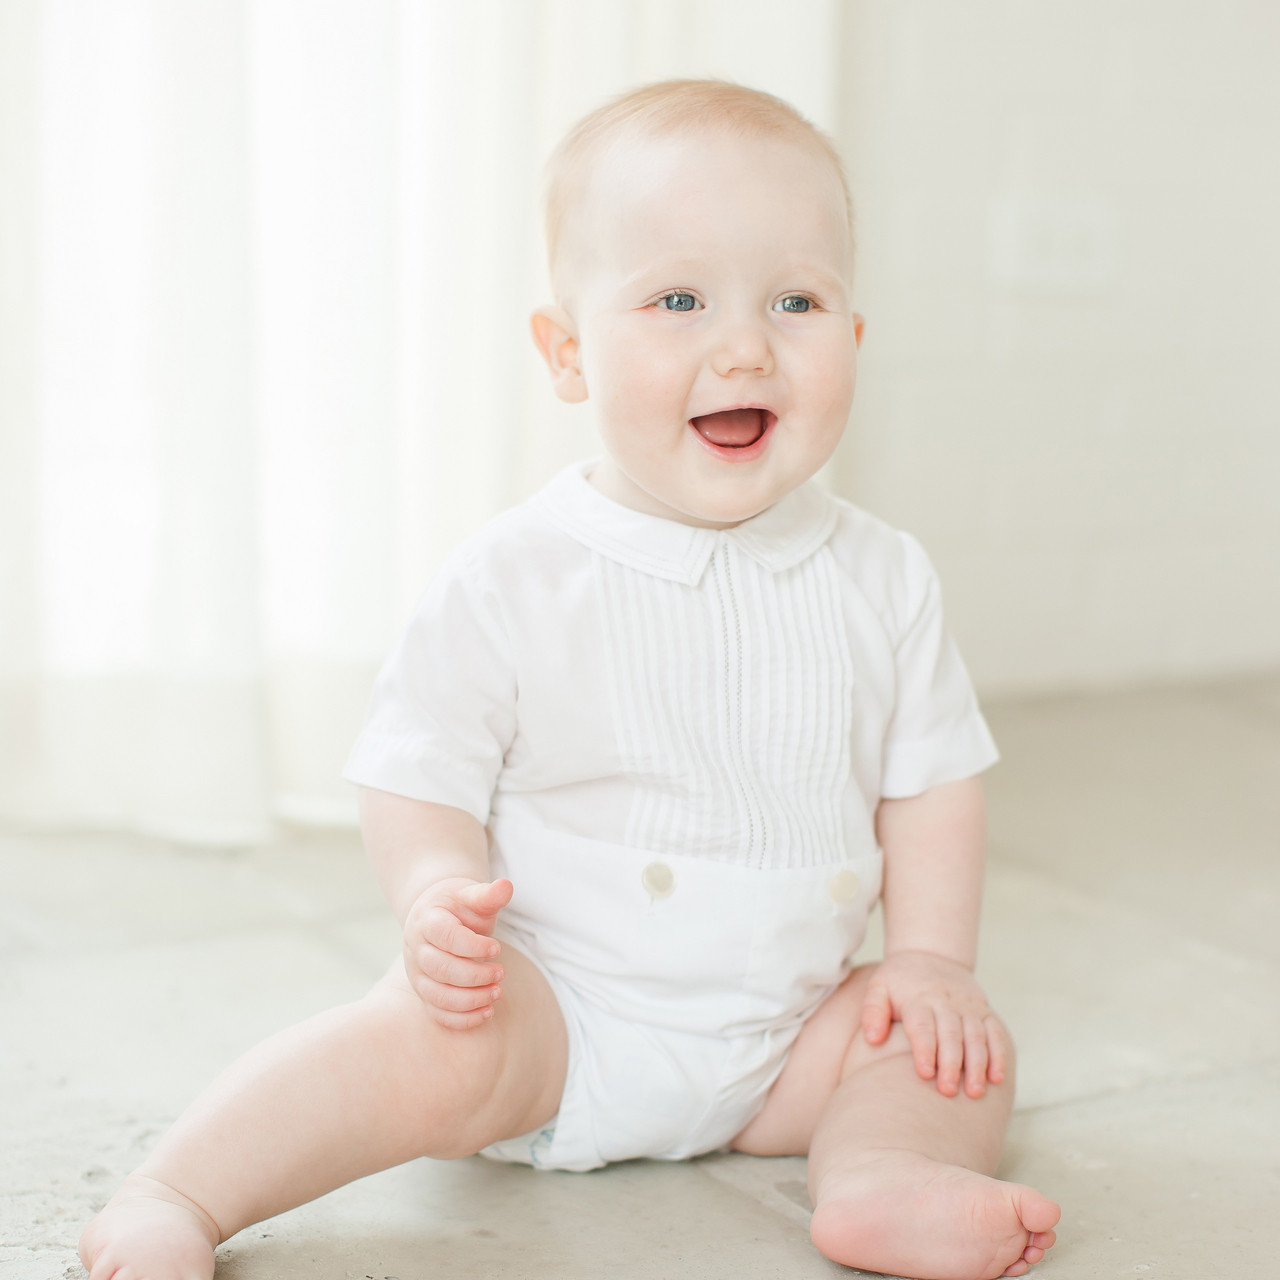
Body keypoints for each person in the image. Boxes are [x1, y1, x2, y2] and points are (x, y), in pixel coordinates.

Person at [79, 79, 1061, 1280]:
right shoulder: (516, 575)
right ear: (566, 352)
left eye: (795, 300)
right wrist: (436, 887)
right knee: (417, 1044)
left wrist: (925, 960)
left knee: (954, 1047)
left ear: (851, 339)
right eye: (678, 299)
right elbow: (415, 768)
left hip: (782, 1030)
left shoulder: (882, 574)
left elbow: (932, 783)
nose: (743, 343)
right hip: (559, 1013)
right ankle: (180, 1189)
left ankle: (880, 1176)